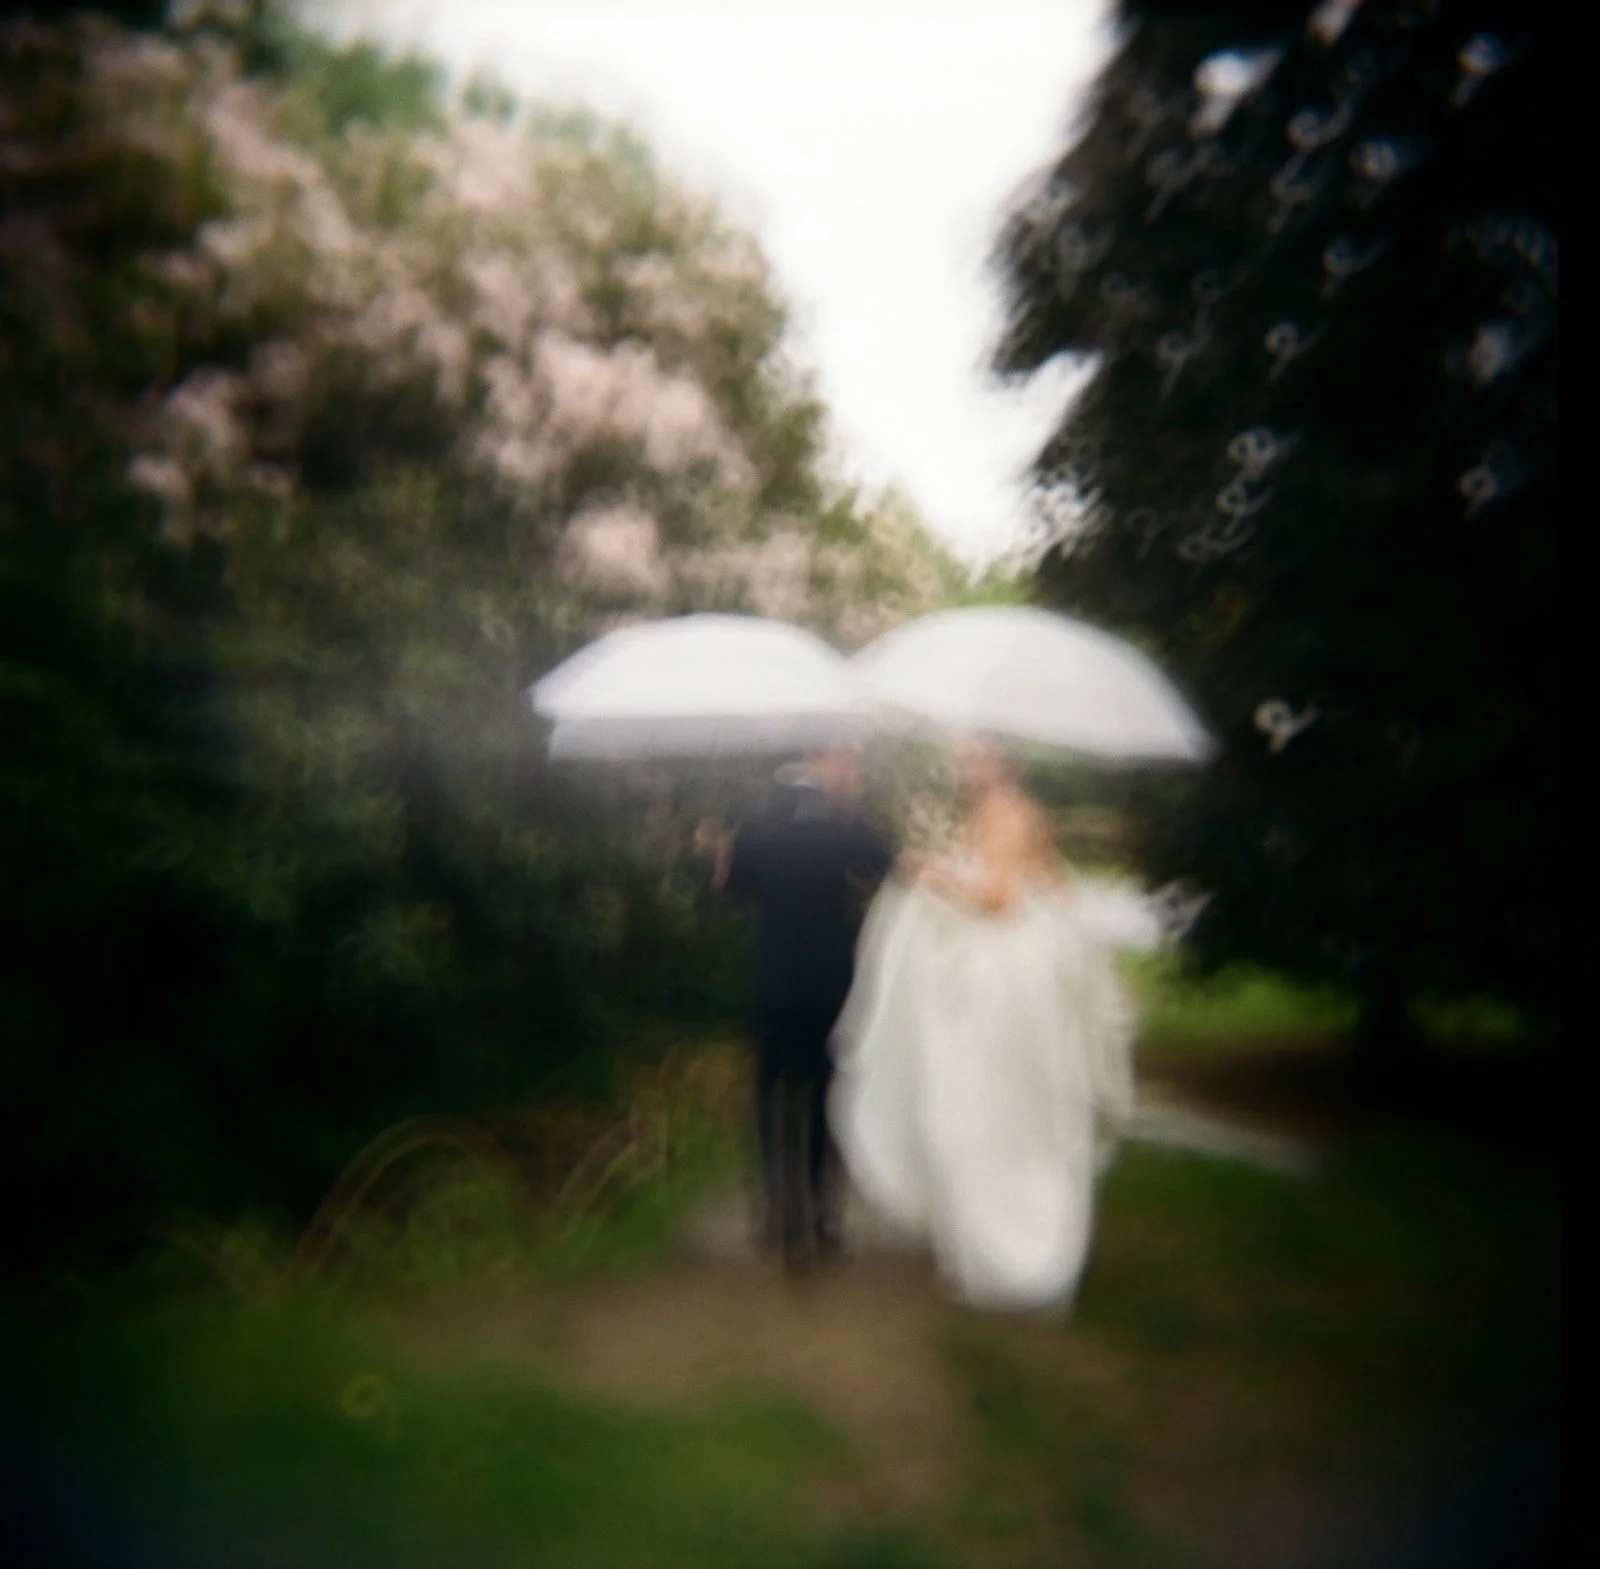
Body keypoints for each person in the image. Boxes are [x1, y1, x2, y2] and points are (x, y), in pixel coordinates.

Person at [828, 735, 1135, 1313]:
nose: (963, 766)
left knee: (984, 1109)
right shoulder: (1021, 814)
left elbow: (997, 900)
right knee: (1010, 1108)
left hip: (1002, 981)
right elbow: (1054, 885)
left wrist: (929, 872)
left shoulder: (1004, 813)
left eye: (974, 757)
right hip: (1023, 972)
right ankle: (998, 1244)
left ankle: (1015, 1251)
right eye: (964, 757)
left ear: (1001, 764)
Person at [695, 744, 894, 1267]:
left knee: (769, 1089)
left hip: (774, 979)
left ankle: (777, 1204)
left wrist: (718, 851)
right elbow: (891, 873)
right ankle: (824, 1216)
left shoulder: (755, 820)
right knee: (824, 1093)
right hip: (832, 982)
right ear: (823, 761)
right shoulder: (847, 823)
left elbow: (728, 891)